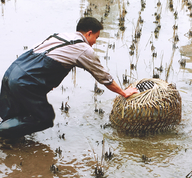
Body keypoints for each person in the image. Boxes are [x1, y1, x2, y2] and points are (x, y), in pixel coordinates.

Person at [0, 17, 138, 139]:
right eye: (96, 37)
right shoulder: (84, 49)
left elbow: (42, 60)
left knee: (13, 115)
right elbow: (104, 77)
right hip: (24, 81)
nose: (94, 42)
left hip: (11, 73)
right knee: (44, 118)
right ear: (89, 33)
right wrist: (123, 92)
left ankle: (10, 143)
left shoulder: (59, 36)